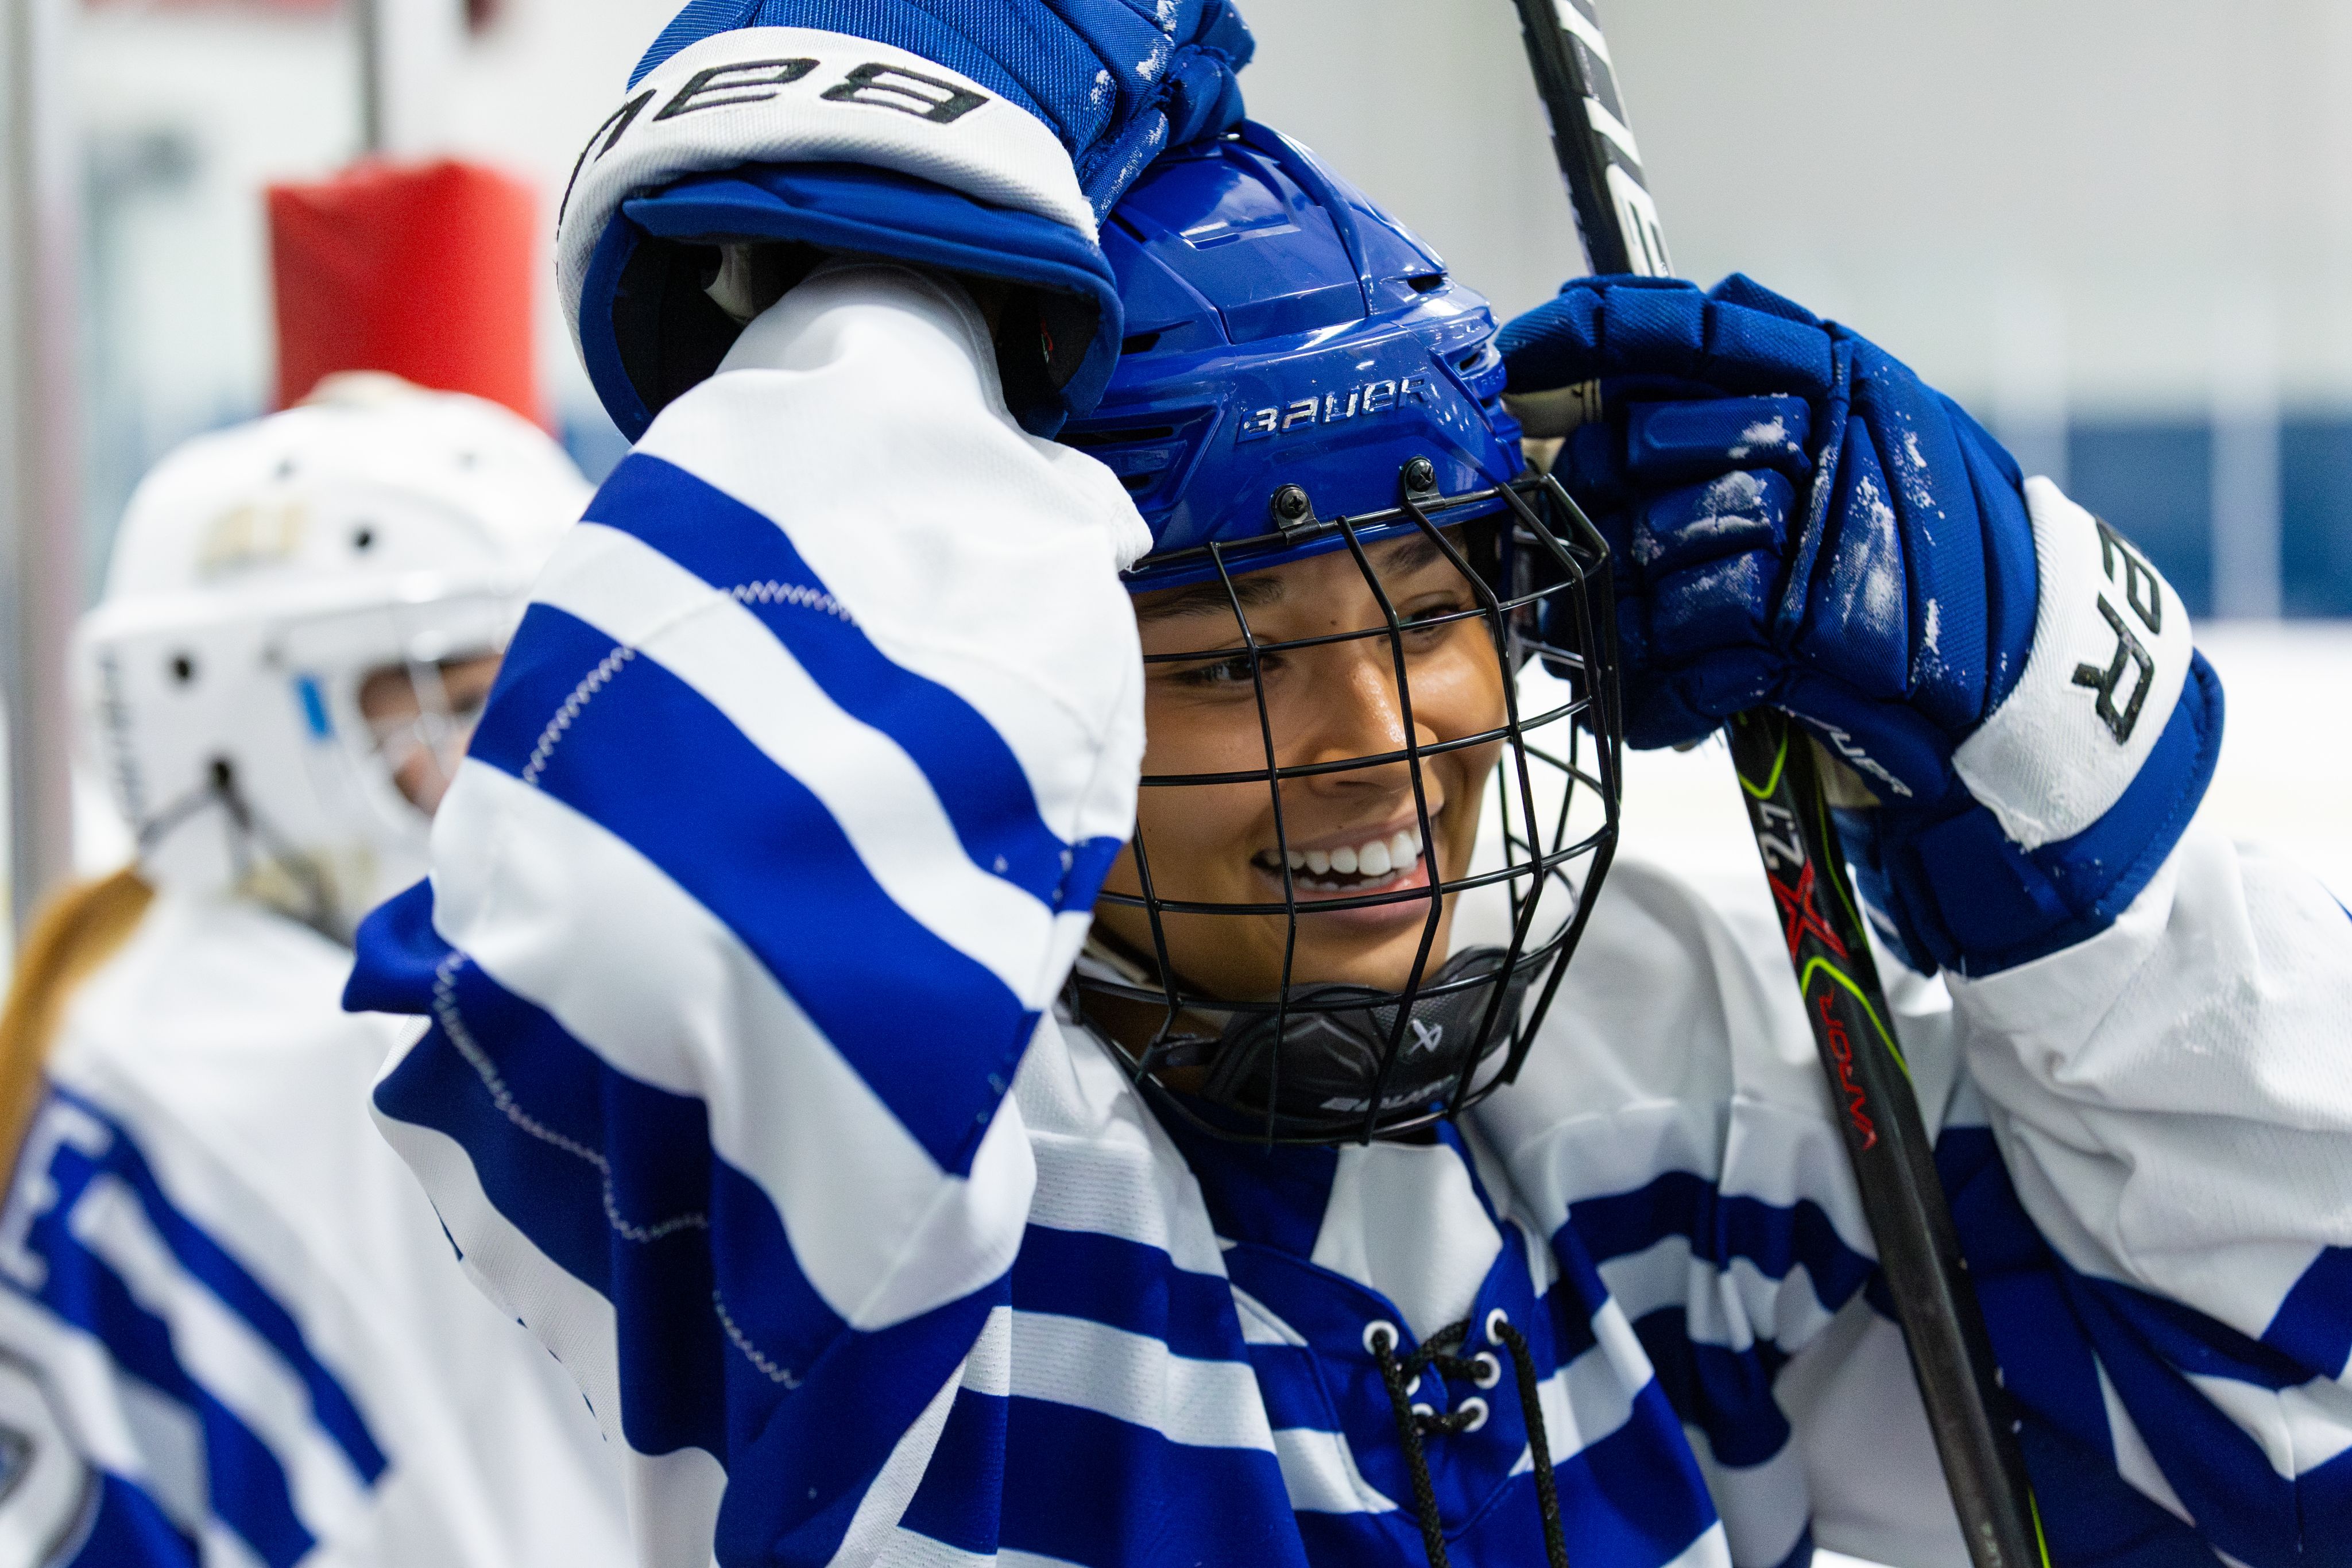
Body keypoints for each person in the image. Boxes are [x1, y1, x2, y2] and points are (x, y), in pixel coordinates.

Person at [348, 7, 2352, 1567]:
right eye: (1228, 658)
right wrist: (885, 186)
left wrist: (2078, 792)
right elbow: (647, 931)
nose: (1379, 733)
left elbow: (2288, 1449)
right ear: (1017, 686)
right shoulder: (889, 1218)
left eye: (1433, 596)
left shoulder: (1632, 1087)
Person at [0, 377, 634, 1566]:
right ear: (233, 726)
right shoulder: (314, 1064)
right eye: (462, 708)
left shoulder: (150, 987)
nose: (530, 773)